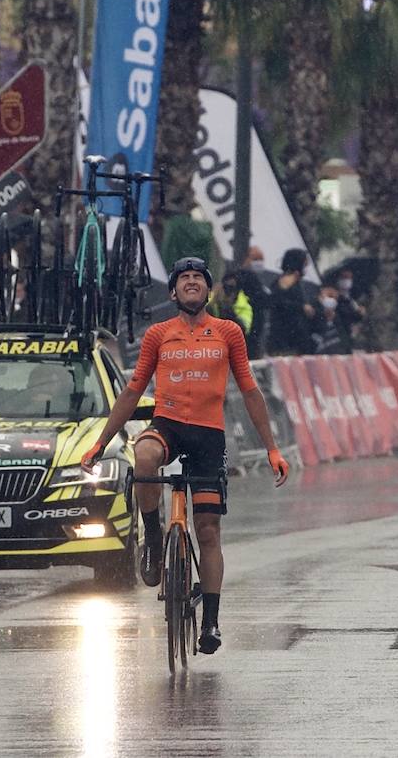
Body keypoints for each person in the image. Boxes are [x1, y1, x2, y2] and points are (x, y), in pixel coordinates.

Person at [80, 257, 289, 656]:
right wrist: (101, 442)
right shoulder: (158, 334)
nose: (191, 282)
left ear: (207, 291)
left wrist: (272, 448)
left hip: (209, 436)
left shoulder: (228, 332)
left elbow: (249, 391)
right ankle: (154, 537)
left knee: (208, 531)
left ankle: (210, 621)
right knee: (143, 455)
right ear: (173, 292)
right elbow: (132, 389)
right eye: (184, 278)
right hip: (169, 426)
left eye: (199, 278)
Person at [267, 248, 313, 355]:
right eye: (304, 265)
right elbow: (279, 303)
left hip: (296, 338)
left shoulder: (298, 284)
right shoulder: (283, 282)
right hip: (284, 339)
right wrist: (301, 307)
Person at [206, 270, 253, 336]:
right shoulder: (210, 299)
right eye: (225, 287)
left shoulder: (244, 307)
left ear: (237, 291)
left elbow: (242, 331)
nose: (228, 291)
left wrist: (228, 309)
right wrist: (214, 303)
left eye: (231, 288)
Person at [309, 285, 352, 355]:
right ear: (320, 297)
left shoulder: (341, 317)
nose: (331, 300)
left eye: (334, 297)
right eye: (329, 296)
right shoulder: (312, 315)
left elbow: (345, 342)